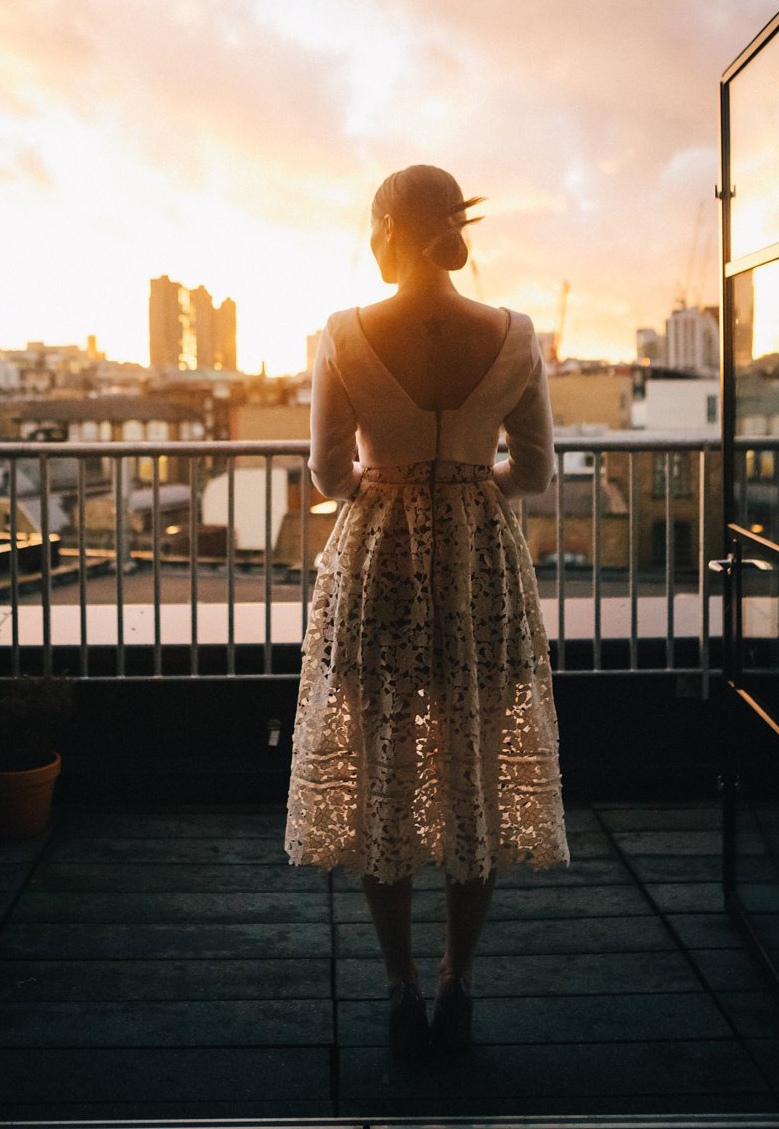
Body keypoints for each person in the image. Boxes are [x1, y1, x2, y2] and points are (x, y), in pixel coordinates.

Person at [284, 163, 570, 1059]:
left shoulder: (344, 333)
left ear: (386, 228)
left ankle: (401, 985)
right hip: (480, 564)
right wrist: (470, 481)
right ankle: (459, 981)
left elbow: (331, 470)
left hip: (382, 566)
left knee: (385, 768)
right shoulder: (516, 333)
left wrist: (387, 476)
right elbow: (534, 472)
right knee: (472, 764)